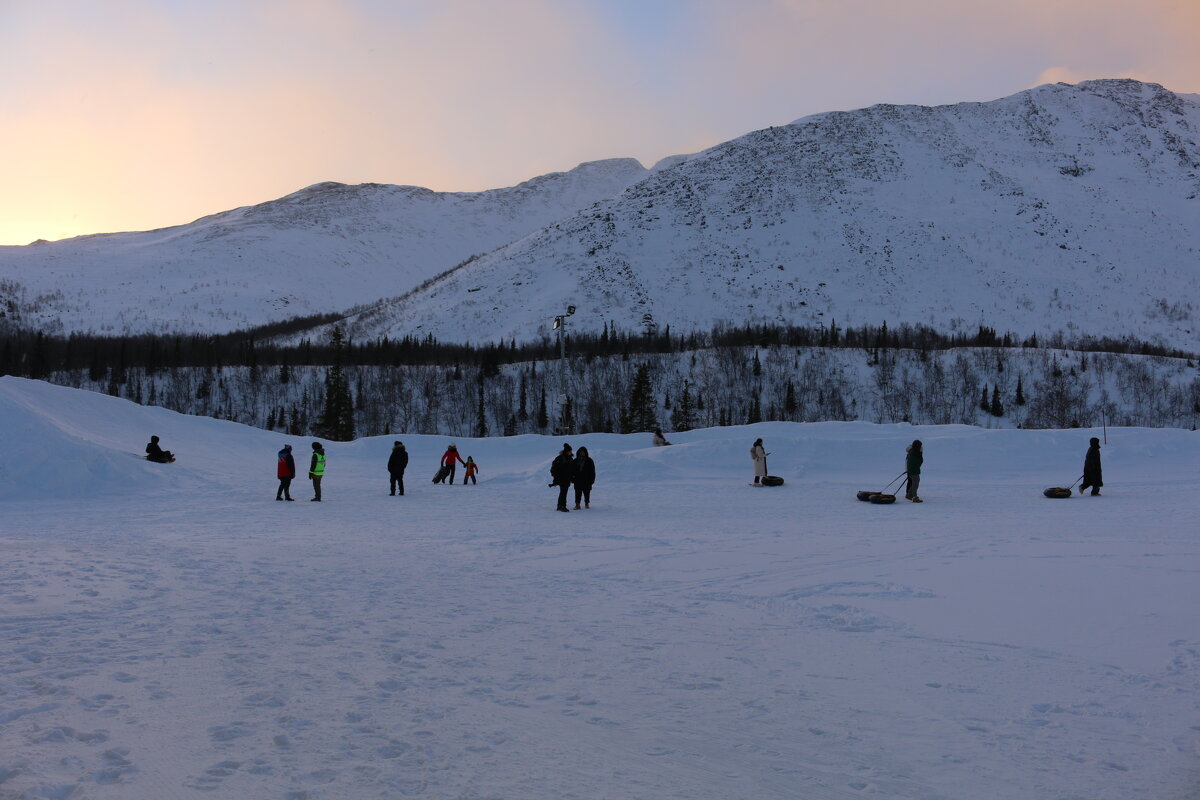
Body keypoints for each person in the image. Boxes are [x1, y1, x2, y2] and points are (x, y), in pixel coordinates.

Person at [550, 443, 575, 512]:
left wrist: (572, 477)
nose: (571, 452)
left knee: (564, 492)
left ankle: (560, 506)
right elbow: (554, 469)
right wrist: (556, 478)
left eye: (571, 451)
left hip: (567, 479)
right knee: (563, 492)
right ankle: (562, 506)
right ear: (566, 452)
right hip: (561, 479)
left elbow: (571, 469)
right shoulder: (560, 458)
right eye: (569, 451)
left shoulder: (570, 459)